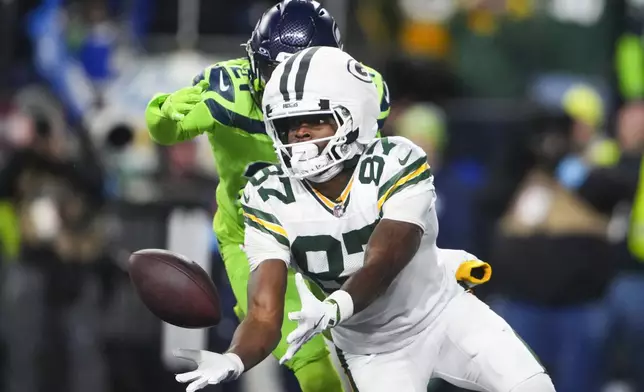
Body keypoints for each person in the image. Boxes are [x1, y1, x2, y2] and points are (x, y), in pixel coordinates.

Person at [145, 2, 486, 391]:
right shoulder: (229, 92)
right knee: (311, 364)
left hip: (330, 226)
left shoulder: (363, 89)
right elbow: (169, 133)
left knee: (381, 347)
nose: (287, 89)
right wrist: (163, 117)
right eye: (277, 72)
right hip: (257, 233)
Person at [171, 47, 554, 392]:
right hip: (372, 351)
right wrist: (235, 358)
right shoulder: (267, 197)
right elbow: (264, 313)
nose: (299, 135)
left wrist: (335, 306)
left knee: (533, 387)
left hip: (443, 315)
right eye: (289, 126)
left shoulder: (396, 160)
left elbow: (386, 257)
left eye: (313, 121)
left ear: (352, 117)